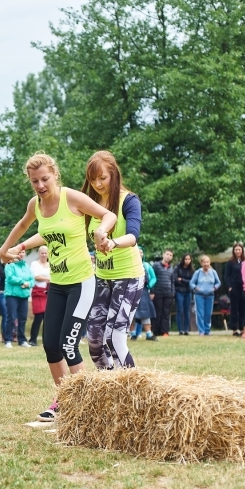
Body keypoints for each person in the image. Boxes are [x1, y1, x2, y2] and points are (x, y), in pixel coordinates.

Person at [0, 152, 116, 421]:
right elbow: (26, 224)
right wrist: (8, 248)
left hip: (82, 282)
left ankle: (88, 404)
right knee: (51, 345)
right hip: (58, 284)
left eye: (44, 179)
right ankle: (63, 400)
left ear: (55, 175)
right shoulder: (36, 205)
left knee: (69, 344)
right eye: (34, 182)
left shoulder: (71, 197)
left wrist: (101, 233)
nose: (40, 186)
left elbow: (106, 214)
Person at [81, 150, 144, 368]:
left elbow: (133, 235)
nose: (97, 184)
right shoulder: (90, 203)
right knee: (95, 339)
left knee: (113, 337)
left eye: (103, 178)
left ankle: (132, 390)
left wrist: (113, 242)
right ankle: (108, 388)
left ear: (114, 174)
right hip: (103, 277)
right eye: (93, 179)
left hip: (128, 277)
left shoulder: (129, 200)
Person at [189, 255, 221, 336]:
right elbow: (191, 283)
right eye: (204, 262)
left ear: (209, 263)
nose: (206, 264)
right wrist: (196, 288)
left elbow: (218, 282)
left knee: (208, 313)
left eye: (207, 262)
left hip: (210, 295)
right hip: (199, 296)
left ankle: (207, 330)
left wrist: (214, 288)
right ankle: (201, 331)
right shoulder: (198, 272)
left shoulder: (213, 272)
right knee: (200, 313)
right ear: (201, 263)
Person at [132, 247, 157, 341]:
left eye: (141, 252)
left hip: (144, 291)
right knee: (132, 313)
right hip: (132, 291)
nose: (139, 253)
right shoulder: (130, 264)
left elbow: (153, 278)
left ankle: (149, 334)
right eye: (138, 252)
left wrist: (149, 286)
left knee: (145, 312)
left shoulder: (146, 265)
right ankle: (133, 333)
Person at [151, 249, 176, 338]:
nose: (168, 256)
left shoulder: (171, 268)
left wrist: (173, 293)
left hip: (168, 294)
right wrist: (152, 292)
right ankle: (155, 331)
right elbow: (152, 279)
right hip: (157, 293)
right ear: (163, 254)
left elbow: (173, 281)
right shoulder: (156, 266)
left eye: (170, 255)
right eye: (167, 254)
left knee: (166, 313)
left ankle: (165, 331)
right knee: (158, 312)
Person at [29, 246, 51, 346]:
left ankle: (46, 339)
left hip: (48, 292)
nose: (43, 255)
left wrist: (47, 279)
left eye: (45, 253)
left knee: (47, 317)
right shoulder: (34, 264)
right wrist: (48, 279)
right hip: (38, 292)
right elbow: (36, 277)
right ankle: (33, 339)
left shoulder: (51, 264)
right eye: (42, 253)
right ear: (39, 254)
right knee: (38, 316)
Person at [224, 243, 245, 336]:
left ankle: (242, 328)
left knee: (243, 308)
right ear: (234, 251)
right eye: (236, 250)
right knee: (234, 309)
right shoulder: (230, 262)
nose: (238, 251)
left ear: (242, 251)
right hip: (234, 287)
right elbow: (226, 275)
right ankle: (234, 328)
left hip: (244, 287)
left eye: (239, 250)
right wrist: (229, 286)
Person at [173, 254, 195, 335]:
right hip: (179, 291)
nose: (187, 261)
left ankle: (186, 329)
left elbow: (192, 282)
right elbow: (175, 279)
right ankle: (180, 330)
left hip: (188, 292)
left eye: (189, 259)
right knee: (180, 311)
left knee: (187, 311)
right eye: (186, 259)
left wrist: (182, 279)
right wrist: (185, 281)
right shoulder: (177, 268)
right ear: (183, 259)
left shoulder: (192, 270)